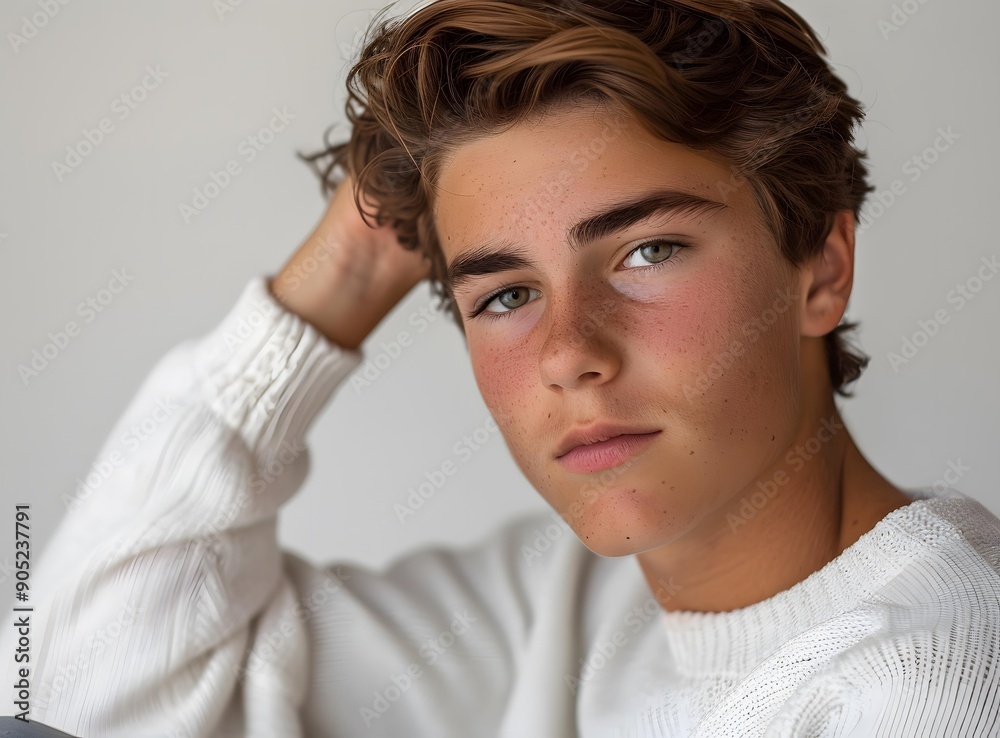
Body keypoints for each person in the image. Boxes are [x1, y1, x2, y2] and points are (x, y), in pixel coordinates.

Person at [6, 0, 1000, 735]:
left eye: (645, 251)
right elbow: (76, 692)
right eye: (505, 294)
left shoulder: (930, 683)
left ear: (819, 270)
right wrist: (350, 262)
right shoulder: (558, 603)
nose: (570, 354)